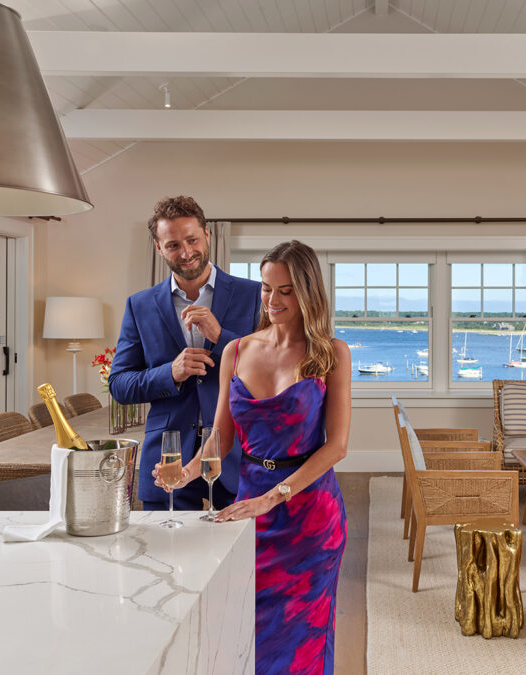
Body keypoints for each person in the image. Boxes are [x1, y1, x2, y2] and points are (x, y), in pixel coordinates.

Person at [156, 240, 350, 675]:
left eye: (286, 291)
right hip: (250, 512)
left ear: (308, 292)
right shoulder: (236, 350)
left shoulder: (332, 353)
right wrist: (185, 472)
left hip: (309, 518)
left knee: (302, 646)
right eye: (266, 288)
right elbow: (220, 438)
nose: (273, 300)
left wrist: (273, 497)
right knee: (245, 632)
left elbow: (337, 446)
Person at [109, 195, 261, 511]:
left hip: (238, 456)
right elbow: (119, 385)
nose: (186, 252)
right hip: (168, 460)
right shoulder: (139, 305)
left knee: (244, 543)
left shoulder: (253, 295)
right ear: (159, 248)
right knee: (166, 543)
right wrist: (170, 373)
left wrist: (222, 338)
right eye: (173, 245)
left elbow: (271, 370)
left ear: (207, 234)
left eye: (192, 240)